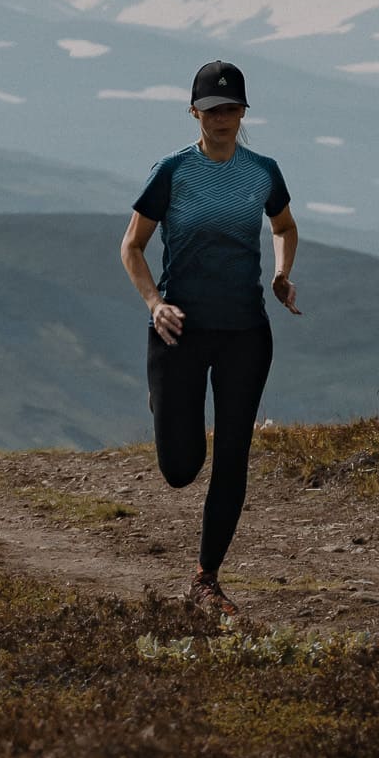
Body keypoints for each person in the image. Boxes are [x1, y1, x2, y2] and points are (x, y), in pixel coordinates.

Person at [120, 59, 301, 617]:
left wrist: (280, 273)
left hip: (245, 331)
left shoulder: (263, 171)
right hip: (180, 330)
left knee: (234, 455)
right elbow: (132, 247)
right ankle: (170, 407)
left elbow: (285, 226)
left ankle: (206, 578)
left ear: (244, 112)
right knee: (180, 468)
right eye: (213, 108)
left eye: (233, 108)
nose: (223, 118)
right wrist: (155, 304)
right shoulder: (172, 172)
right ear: (194, 111)